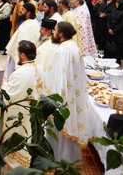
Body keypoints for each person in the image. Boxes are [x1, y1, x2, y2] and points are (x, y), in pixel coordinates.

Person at [44, 21, 90, 162]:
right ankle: (70, 159)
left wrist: (56, 98)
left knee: (61, 129)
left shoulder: (63, 50)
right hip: (72, 93)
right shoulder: (73, 46)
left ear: (61, 34)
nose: (53, 32)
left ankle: (59, 160)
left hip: (63, 95)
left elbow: (60, 76)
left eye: (56, 30)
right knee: (70, 128)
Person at [1, 40, 44, 169]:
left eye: (18, 53)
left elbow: (8, 97)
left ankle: (15, 168)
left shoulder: (20, 74)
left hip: (20, 116)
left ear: (23, 55)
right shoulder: (39, 68)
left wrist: (4, 85)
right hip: (33, 112)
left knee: (17, 145)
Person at [4, 3, 40, 82]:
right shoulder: (29, 23)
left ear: (28, 13)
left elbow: (23, 43)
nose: (20, 11)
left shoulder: (30, 25)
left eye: (23, 9)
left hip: (23, 57)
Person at [107, 0, 123, 64]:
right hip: (110, 31)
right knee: (111, 46)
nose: (116, 4)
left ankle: (118, 61)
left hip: (119, 33)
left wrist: (114, 31)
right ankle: (110, 59)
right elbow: (109, 19)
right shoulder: (114, 9)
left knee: (118, 48)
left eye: (117, 3)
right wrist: (108, 28)